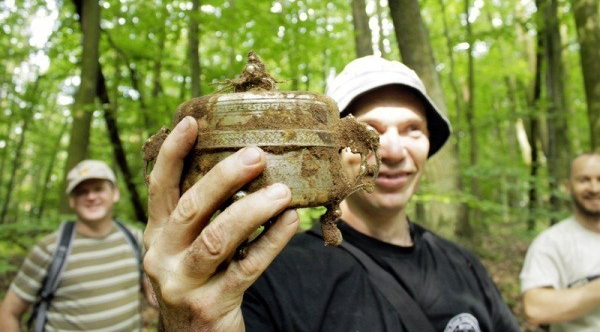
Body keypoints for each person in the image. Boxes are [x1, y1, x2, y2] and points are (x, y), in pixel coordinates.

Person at [142, 55, 520, 331]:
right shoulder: (264, 275)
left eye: (412, 130)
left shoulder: (464, 264)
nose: (391, 150)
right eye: (368, 130)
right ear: (331, 148)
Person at [0, 159, 155, 331]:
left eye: (98, 189)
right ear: (72, 201)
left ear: (115, 193)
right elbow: (8, 312)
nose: (91, 196)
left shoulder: (134, 237)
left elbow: (152, 292)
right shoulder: (50, 248)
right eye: (82, 192)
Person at [520, 152, 600, 331]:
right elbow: (536, 308)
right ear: (567, 186)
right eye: (584, 180)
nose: (594, 188)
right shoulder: (551, 242)